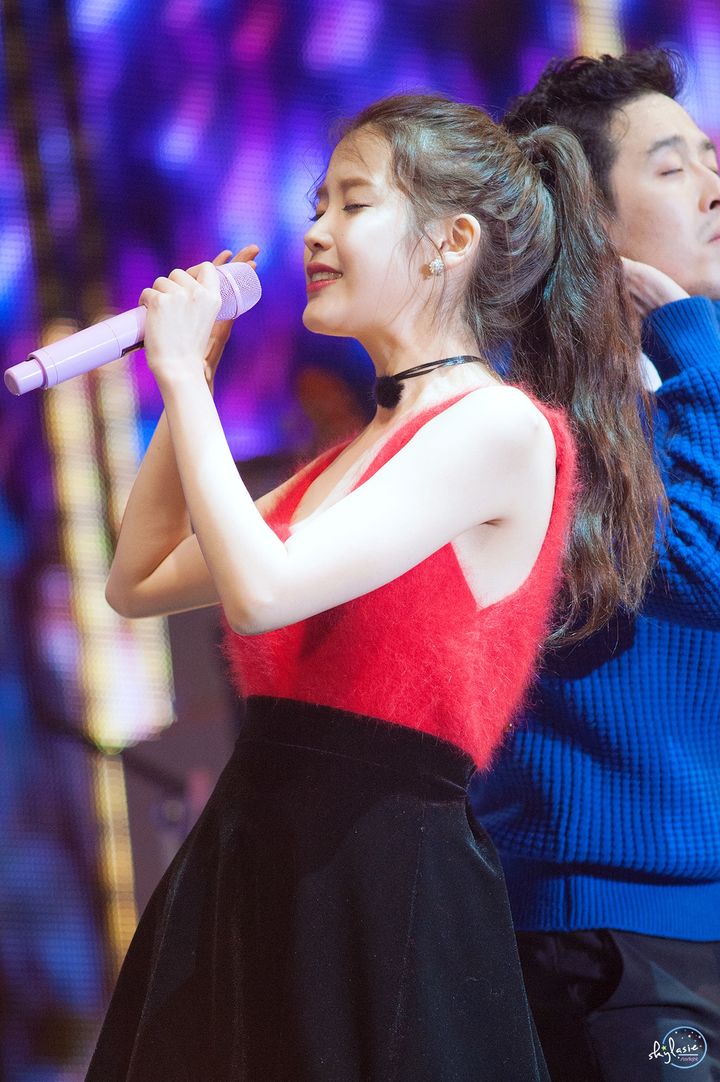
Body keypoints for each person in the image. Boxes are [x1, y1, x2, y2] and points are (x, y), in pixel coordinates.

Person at [85, 92, 662, 1081]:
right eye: (317, 205)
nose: (315, 231)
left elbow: (263, 590)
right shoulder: (349, 458)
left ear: (451, 241)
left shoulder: (498, 426)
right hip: (253, 860)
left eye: (352, 204)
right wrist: (194, 385)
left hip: (380, 878)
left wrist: (179, 379)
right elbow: (136, 581)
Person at [472, 49, 720, 1081]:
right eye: (671, 166)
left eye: (709, 157)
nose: (712, 185)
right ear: (589, 220)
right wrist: (693, 342)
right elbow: (704, 570)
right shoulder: (536, 423)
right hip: (607, 932)